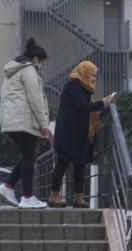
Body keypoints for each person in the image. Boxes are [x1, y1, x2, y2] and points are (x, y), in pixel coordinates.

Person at [47, 61, 113, 208]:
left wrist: (100, 106)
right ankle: (54, 195)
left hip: (78, 134)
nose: (94, 78)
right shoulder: (73, 86)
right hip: (68, 133)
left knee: (79, 165)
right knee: (62, 164)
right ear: (85, 73)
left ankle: (78, 197)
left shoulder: (85, 89)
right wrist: (102, 104)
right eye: (92, 75)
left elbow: (85, 108)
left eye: (95, 76)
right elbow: (82, 106)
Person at [0, 38, 51, 209]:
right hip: (24, 121)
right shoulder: (28, 71)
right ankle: (27, 197)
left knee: (28, 156)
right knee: (29, 157)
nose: (42, 67)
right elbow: (35, 99)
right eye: (42, 63)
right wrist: (43, 125)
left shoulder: (13, 71)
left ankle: (7, 186)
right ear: (36, 59)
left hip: (11, 121)